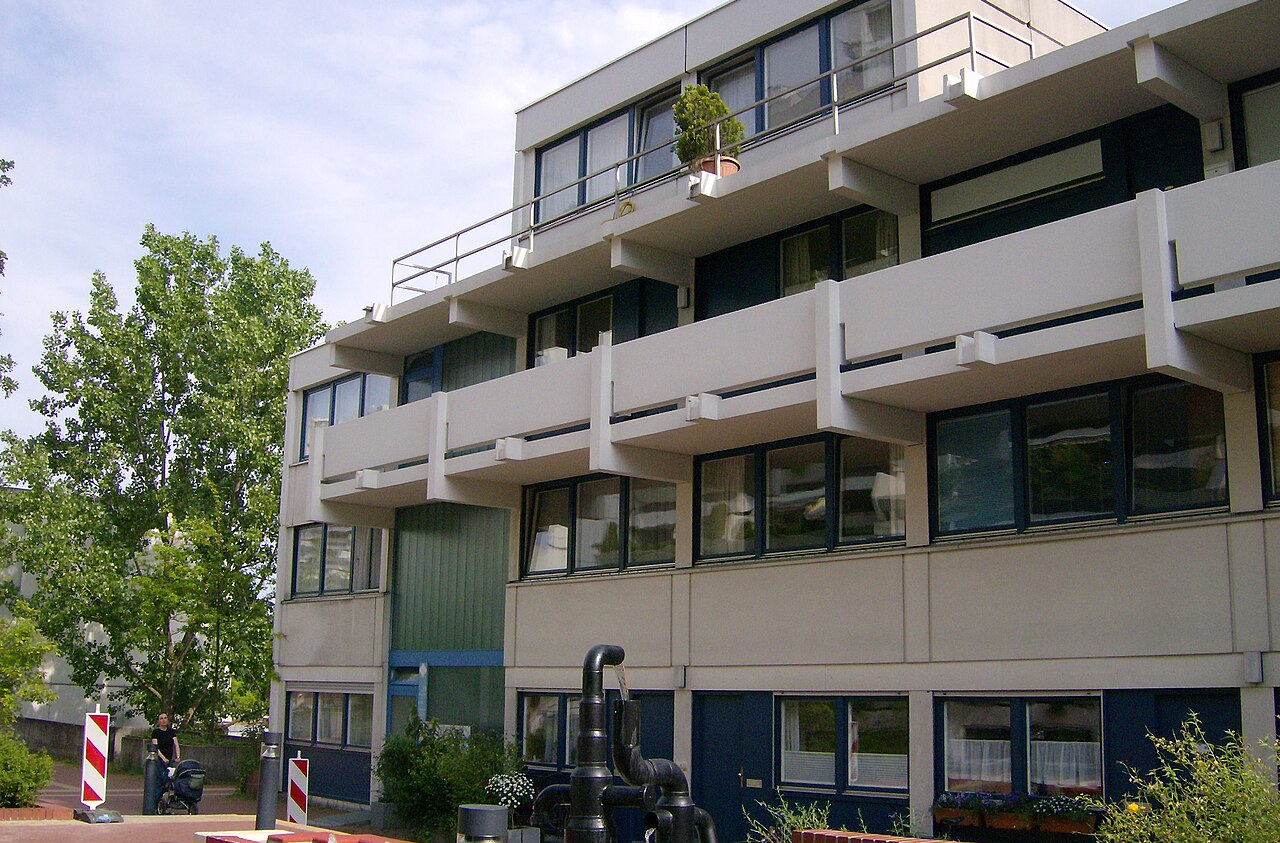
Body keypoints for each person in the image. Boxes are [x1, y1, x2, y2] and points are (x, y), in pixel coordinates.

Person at [150, 712, 180, 809]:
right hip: (160, 760)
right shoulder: (156, 732)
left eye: (165, 718)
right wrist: (163, 758)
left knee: (169, 781)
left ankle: (164, 802)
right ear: (158, 721)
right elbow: (156, 747)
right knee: (160, 780)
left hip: (170, 760)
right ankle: (155, 802)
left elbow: (176, 744)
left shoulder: (171, 732)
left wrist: (178, 757)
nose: (163, 720)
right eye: (161, 718)